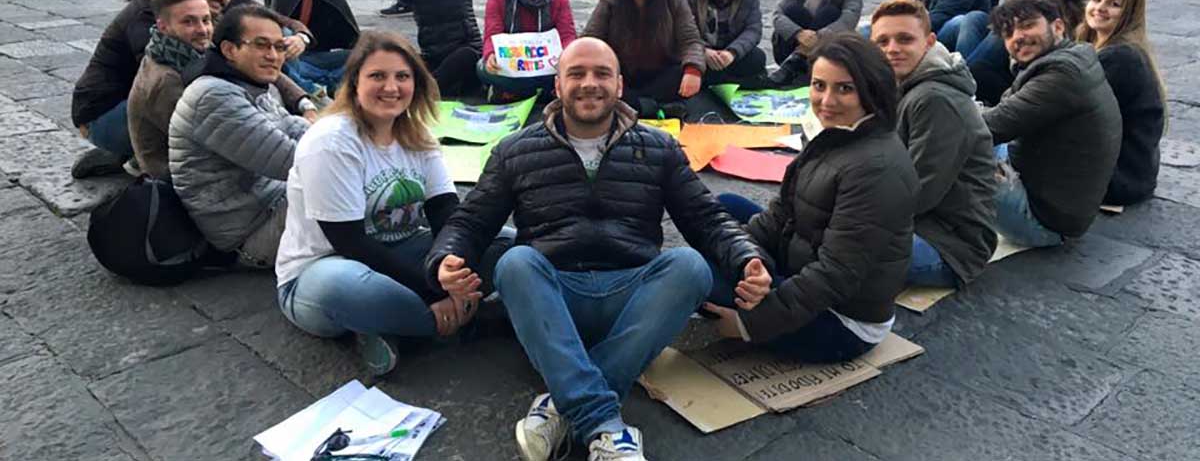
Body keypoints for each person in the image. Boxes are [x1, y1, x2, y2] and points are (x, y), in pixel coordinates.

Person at [425, 37, 770, 461]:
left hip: (632, 303)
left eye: (602, 73)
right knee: (516, 261)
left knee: (690, 266)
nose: (590, 83)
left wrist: (746, 257)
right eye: (577, 74)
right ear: (557, 85)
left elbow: (706, 217)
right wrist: (446, 260)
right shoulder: (515, 150)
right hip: (553, 302)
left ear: (620, 85)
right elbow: (470, 221)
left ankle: (561, 405)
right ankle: (605, 426)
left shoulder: (658, 148)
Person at [276, 30, 515, 376]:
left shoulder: (417, 135)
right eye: (377, 76)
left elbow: (446, 212)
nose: (391, 87)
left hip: (402, 249)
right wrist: (437, 291)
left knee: (507, 244)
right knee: (350, 288)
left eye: (402, 76)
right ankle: (461, 318)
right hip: (324, 270)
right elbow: (350, 242)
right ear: (354, 81)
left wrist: (448, 267)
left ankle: (395, 327)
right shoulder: (331, 141)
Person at [703, 33, 918, 363]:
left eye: (843, 88)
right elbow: (781, 213)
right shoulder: (837, 133)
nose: (826, 100)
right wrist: (748, 260)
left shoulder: (876, 168)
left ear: (870, 89)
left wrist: (750, 324)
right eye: (819, 86)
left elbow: (836, 274)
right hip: (802, 267)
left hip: (841, 320)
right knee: (725, 208)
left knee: (692, 277)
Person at [169, 5, 312, 268]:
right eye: (261, 45)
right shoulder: (213, 96)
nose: (273, 56)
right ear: (229, 50)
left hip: (271, 202)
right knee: (350, 194)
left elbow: (291, 125)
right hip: (250, 235)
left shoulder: (247, 83)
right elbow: (292, 162)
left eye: (279, 47)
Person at [869, 0, 996, 287]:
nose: (892, 49)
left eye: (904, 39)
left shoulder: (934, 99)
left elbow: (920, 191)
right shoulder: (903, 82)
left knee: (830, 246)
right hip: (921, 225)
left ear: (928, 42)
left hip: (949, 246)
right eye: (882, 42)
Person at [982, 0, 1122, 247]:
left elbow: (989, 128)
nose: (1017, 37)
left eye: (1026, 25)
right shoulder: (1073, 56)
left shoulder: (1062, 74)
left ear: (1057, 26)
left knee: (951, 148)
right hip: (1058, 198)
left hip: (1044, 221)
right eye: (1008, 33)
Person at [70, 0, 206, 178]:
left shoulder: (179, 10)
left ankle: (128, 152)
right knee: (179, 103)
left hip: (119, 103)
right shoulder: (144, 19)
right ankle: (132, 154)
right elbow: (157, 88)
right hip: (101, 115)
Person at [583, 0, 706, 118]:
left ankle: (636, 106)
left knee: (683, 74)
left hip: (662, 73)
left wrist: (693, 70)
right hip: (622, 76)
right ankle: (653, 107)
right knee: (603, 83)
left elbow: (691, 39)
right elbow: (590, 40)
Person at [1079, 0, 1166, 205]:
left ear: (1129, 15)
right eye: (1097, 0)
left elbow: (1070, 106)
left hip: (1117, 179)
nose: (1100, 8)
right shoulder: (1107, 48)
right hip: (1132, 174)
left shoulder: (1121, 57)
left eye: (1114, 4)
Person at [966, 0, 1086, 105]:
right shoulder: (1021, 1)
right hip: (1019, 70)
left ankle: (960, 79)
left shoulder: (1081, 14)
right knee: (976, 28)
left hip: (1050, 79)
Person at [127, 0, 213, 181]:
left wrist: (301, 100)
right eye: (189, 22)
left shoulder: (177, 50)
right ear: (163, 26)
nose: (203, 29)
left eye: (206, 20)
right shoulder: (167, 81)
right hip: (180, 176)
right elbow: (206, 141)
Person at [478, 0, 577, 100]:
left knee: (570, 70)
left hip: (546, 66)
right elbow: (492, 33)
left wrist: (564, 57)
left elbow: (567, 35)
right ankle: (540, 91)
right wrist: (491, 55)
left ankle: (514, 92)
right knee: (483, 68)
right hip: (511, 64)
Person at [684, 0, 768, 88]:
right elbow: (685, 31)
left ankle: (718, 83)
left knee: (758, 58)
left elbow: (753, 30)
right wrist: (704, 51)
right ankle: (729, 83)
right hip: (705, 54)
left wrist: (732, 53)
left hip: (731, 54)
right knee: (684, 66)